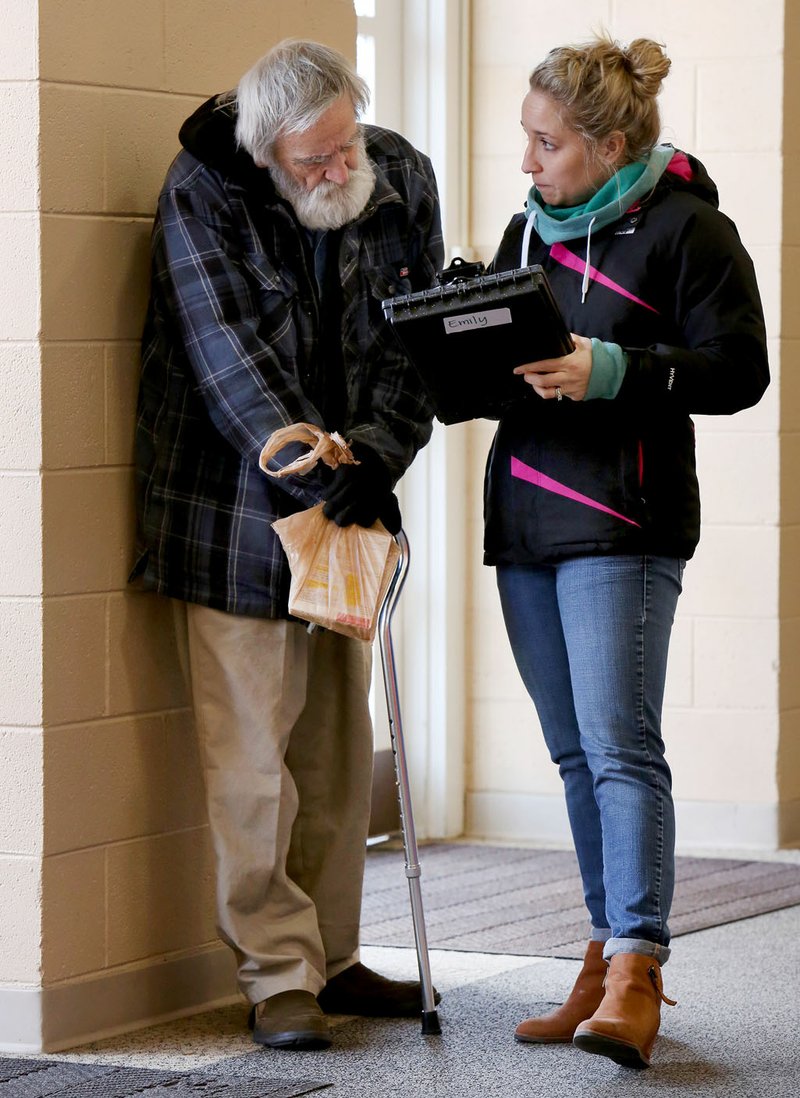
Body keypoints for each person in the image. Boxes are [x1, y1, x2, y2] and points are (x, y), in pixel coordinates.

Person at [131, 39, 443, 1050]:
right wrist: (319, 467)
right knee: (252, 761)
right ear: (263, 151)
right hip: (234, 516)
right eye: (310, 161)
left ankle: (335, 956)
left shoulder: (395, 175)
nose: (333, 171)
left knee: (338, 751)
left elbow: (414, 340)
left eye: (341, 146)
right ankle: (276, 975)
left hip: (350, 507)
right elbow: (227, 357)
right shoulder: (202, 191)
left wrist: (380, 455)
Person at [484, 35, 769, 1068]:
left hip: (622, 523)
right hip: (522, 522)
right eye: (525, 139)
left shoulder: (691, 231)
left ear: (607, 146)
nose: (527, 162)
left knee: (617, 748)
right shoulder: (527, 232)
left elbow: (738, 370)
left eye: (546, 143)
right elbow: (498, 368)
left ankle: (636, 974)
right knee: (570, 753)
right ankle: (599, 954)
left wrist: (609, 369)